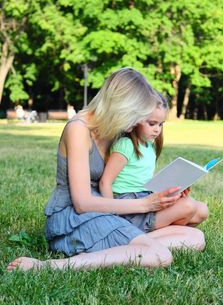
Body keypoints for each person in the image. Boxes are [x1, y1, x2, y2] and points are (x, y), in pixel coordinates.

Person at [7, 68, 207, 272]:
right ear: (119, 105)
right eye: (135, 115)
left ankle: (119, 248)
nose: (137, 123)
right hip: (76, 218)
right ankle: (49, 267)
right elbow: (82, 203)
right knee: (160, 255)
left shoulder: (116, 129)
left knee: (195, 238)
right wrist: (145, 204)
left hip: (109, 211)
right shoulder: (78, 129)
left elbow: (125, 179)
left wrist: (164, 191)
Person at [99, 93, 208, 232]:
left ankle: (161, 232)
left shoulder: (149, 146)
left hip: (147, 196)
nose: (157, 129)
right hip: (129, 206)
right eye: (152, 124)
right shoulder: (126, 144)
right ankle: (156, 234)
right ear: (135, 120)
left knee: (202, 210)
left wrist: (174, 188)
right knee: (188, 206)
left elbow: (144, 179)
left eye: (161, 124)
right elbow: (105, 182)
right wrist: (112, 215)